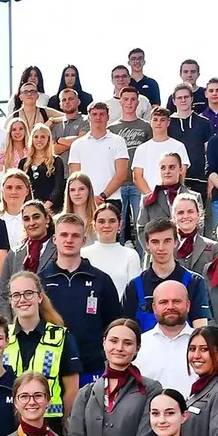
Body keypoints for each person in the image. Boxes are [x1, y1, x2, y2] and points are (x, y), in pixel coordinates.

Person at [39, 212, 123, 381]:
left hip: (91, 367)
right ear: (54, 239)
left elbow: (114, 324)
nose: (69, 240)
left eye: (75, 236)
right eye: (64, 235)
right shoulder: (40, 281)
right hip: (50, 366)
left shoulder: (101, 281)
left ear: (83, 241)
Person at [1, 269, 81, 431]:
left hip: (50, 424)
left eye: (28, 293)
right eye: (16, 295)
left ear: (39, 297)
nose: (22, 299)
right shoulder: (2, 336)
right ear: (10, 301)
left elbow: (71, 390)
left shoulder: (61, 337)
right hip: (9, 424)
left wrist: (66, 426)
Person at [124, 219, 213, 331]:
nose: (161, 248)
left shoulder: (195, 282)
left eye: (167, 241)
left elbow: (200, 330)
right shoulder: (134, 286)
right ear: (147, 245)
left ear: (176, 242)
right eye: (155, 242)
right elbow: (126, 331)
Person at [132, 280, 195, 394]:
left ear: (188, 305)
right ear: (154, 307)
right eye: (163, 302)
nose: (170, 307)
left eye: (176, 301)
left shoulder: (207, 344)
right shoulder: (138, 345)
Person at [66, 103, 130, 210]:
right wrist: (89, 197)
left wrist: (102, 196)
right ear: (89, 117)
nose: (98, 117)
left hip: (112, 199)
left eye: (102, 114)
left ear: (108, 117)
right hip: (84, 200)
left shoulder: (118, 141)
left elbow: (121, 174)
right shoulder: (77, 144)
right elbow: (75, 176)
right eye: (94, 114)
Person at [106, 89, 152, 238]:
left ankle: (141, 252)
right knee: (118, 224)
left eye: (133, 99)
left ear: (138, 102)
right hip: (118, 184)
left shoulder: (146, 126)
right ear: (120, 102)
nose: (129, 103)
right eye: (126, 99)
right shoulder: (111, 129)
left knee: (141, 223)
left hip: (139, 182)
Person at [84, 203, 142, 298]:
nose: (107, 225)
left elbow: (135, 292)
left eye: (112, 221)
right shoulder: (83, 254)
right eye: (101, 221)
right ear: (94, 225)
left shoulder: (131, 255)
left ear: (120, 224)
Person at [167, 86, 215, 199]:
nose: (183, 100)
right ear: (174, 101)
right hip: (174, 180)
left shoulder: (204, 123)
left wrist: (210, 177)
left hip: (199, 179)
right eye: (179, 98)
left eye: (186, 97)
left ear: (192, 99)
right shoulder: (168, 123)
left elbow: (208, 152)